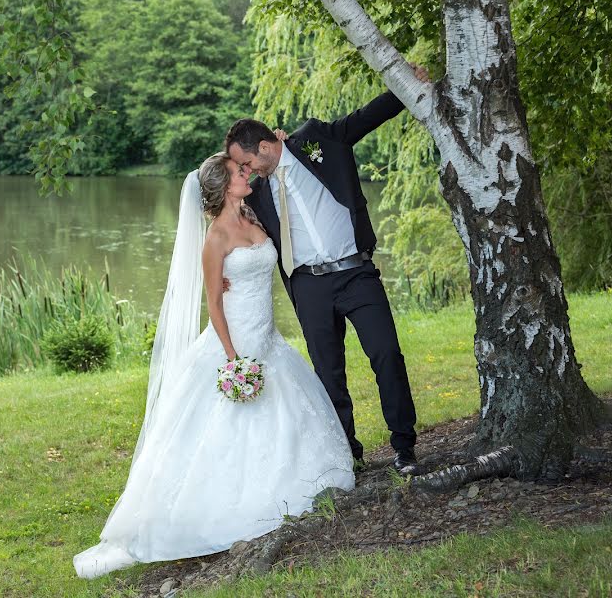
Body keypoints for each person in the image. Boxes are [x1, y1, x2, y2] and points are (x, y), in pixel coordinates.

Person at [73, 151, 355, 579]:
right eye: (238, 172)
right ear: (222, 188)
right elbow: (213, 304)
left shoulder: (255, 217)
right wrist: (232, 358)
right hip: (235, 344)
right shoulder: (216, 238)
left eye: (244, 170)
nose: (246, 174)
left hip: (269, 340)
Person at [224, 67, 430, 475]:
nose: (246, 171)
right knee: (328, 373)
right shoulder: (256, 191)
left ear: (266, 145)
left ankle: (404, 447)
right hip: (309, 286)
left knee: (386, 353)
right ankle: (347, 455)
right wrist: (225, 269)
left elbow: (365, 117)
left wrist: (405, 86)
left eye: (247, 162)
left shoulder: (317, 141)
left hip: (356, 273)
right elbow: (222, 211)